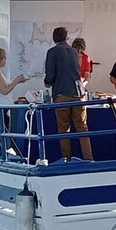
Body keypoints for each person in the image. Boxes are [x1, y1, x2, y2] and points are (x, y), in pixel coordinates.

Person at [44, 27, 93, 161]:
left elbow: (50, 76)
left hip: (62, 95)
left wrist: (47, 83)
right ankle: (89, 159)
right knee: (82, 128)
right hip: (79, 94)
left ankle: (67, 160)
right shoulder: (74, 52)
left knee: (63, 129)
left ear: (54, 38)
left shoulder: (52, 52)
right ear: (66, 37)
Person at [0, 46, 27, 132]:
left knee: (1, 129)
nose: (5, 60)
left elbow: (2, 86)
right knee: (3, 129)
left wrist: (18, 81)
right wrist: (16, 81)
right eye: (4, 58)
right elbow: (4, 90)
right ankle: (3, 144)